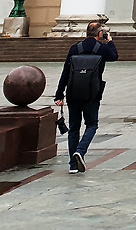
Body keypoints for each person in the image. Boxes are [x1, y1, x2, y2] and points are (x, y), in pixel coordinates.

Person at [53, 20, 119, 174]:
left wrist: (59, 94)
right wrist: (109, 41)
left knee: (74, 128)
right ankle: (80, 151)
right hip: (92, 93)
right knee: (92, 124)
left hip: (73, 92)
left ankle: (72, 165)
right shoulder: (102, 48)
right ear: (99, 34)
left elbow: (66, 71)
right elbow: (114, 56)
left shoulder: (75, 48)